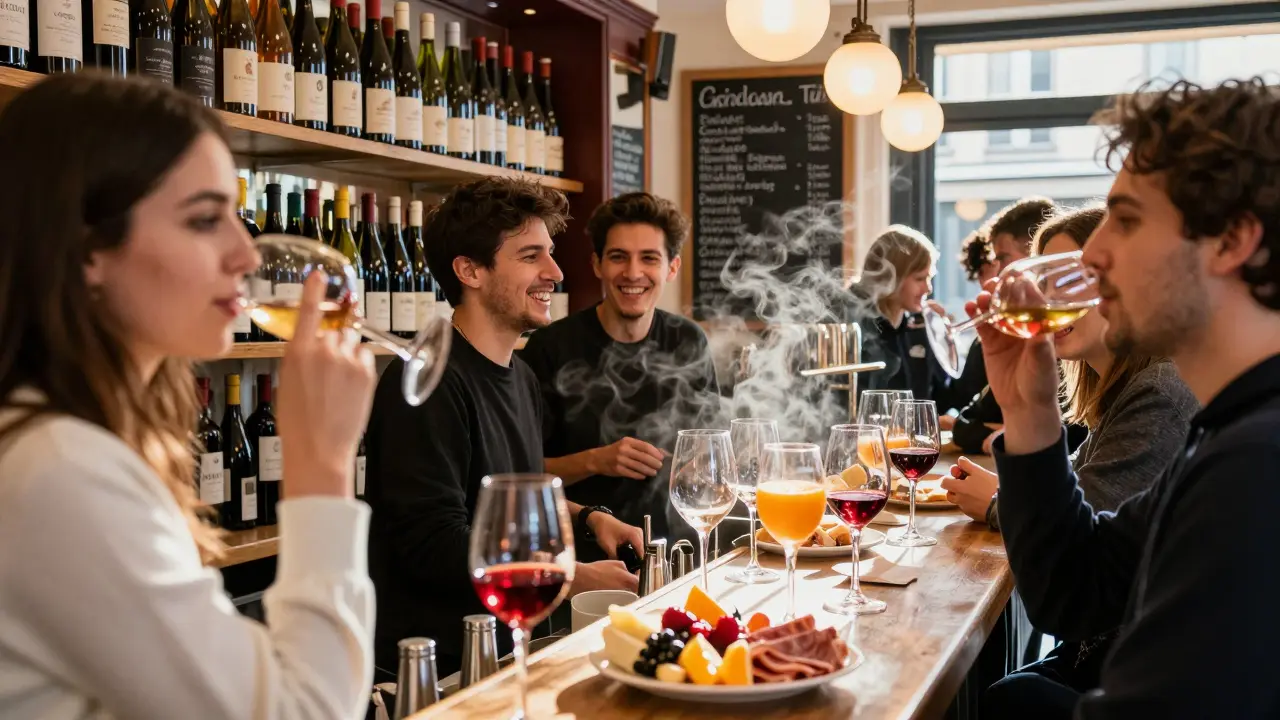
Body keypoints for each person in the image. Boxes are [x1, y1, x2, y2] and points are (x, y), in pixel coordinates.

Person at [0, 75, 378, 717]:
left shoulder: (76, 441)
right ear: (88, 249)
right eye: (204, 220)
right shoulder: (61, 470)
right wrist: (321, 467)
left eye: (234, 214)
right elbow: (306, 711)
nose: (244, 254)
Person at [976, 77, 1280, 718]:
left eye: (1128, 220)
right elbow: (1076, 591)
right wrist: (1030, 415)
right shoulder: (1226, 432)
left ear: (1231, 240)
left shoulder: (1257, 461)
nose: (1093, 253)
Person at [364, 177, 644, 679]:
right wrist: (567, 576)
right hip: (440, 669)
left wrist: (588, 519)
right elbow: (433, 544)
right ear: (470, 270)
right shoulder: (426, 381)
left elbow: (509, 501)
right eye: (531, 256)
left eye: (550, 253)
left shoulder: (521, 376)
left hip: (508, 649)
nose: (555, 272)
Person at [943, 205, 1199, 695]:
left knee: (1008, 697)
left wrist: (999, 502)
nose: (1049, 301)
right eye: (1044, 285)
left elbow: (1079, 567)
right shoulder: (1119, 391)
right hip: (1106, 645)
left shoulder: (1162, 392)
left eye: (1073, 280)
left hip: (1131, 658)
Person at [520, 193, 720, 554]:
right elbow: (524, 475)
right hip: (582, 557)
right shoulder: (549, 347)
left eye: (649, 258)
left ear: (672, 268)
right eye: (618, 257)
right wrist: (597, 460)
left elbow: (712, 458)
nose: (632, 273)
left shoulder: (688, 341)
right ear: (597, 264)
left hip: (678, 551)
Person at [946, 198, 1057, 451]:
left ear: (1036, 254)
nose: (997, 274)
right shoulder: (1019, 335)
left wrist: (1009, 434)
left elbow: (1072, 436)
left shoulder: (1065, 339)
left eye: (1003, 258)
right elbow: (963, 425)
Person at [850, 225, 959, 407]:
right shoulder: (854, 327)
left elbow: (947, 398)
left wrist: (946, 342)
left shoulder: (920, 327)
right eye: (920, 279)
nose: (928, 288)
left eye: (929, 278)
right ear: (890, 277)